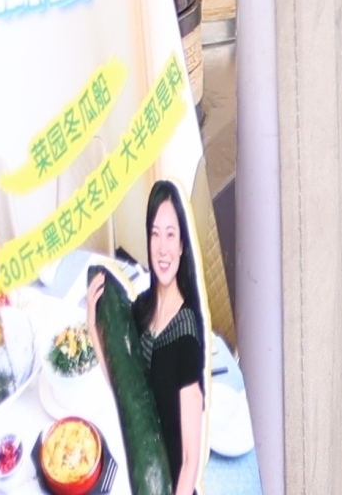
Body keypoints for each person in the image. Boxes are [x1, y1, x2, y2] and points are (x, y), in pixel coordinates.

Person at [88, 181, 209, 495]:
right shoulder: (142, 307)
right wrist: (92, 323)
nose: (163, 247)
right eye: (155, 234)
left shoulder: (187, 336)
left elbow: (190, 460)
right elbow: (122, 383)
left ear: (183, 244)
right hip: (140, 479)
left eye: (171, 234)